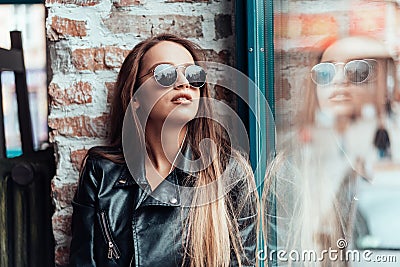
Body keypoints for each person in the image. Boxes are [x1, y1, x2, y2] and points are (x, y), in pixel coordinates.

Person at [69, 34, 258, 267]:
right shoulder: (101, 172)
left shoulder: (228, 172)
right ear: (135, 96)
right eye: (165, 74)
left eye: (193, 74)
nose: (183, 83)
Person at [263, 36, 397, 266]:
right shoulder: (293, 164)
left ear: (387, 84)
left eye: (357, 71)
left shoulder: (384, 157)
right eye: (325, 72)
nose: (338, 80)